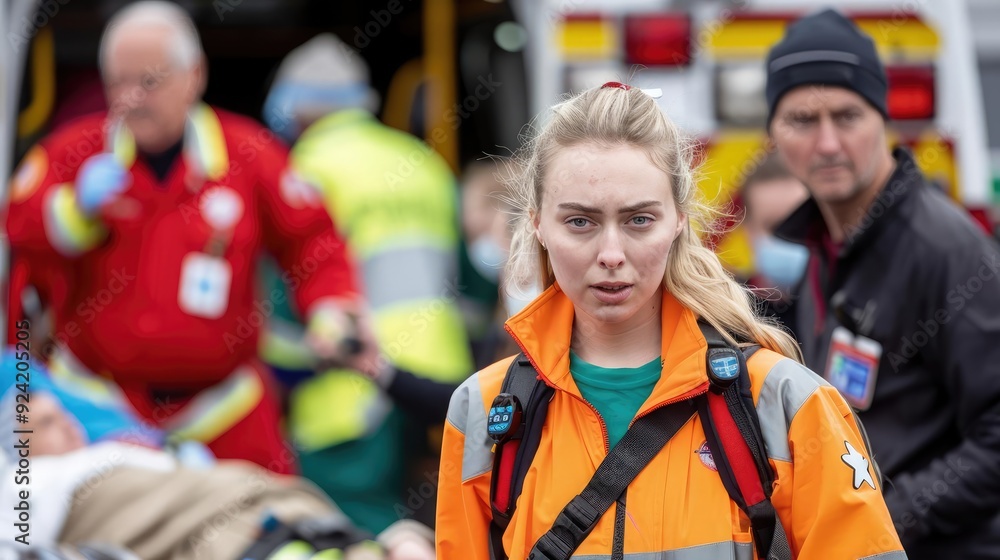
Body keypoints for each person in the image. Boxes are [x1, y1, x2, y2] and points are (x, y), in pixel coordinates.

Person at [435, 81, 906, 558]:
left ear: (679, 219)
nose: (611, 254)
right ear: (537, 223)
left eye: (639, 220)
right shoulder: (483, 411)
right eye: (580, 222)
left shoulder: (785, 403)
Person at [3, 1, 373, 474]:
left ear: (194, 75)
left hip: (225, 411)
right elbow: (18, 231)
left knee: (275, 514)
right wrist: (73, 212)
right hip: (99, 410)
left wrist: (332, 308)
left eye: (149, 81)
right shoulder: (72, 153)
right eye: (117, 82)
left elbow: (312, 242)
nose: (131, 98)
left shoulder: (248, 153)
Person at [765, 9, 1000, 558]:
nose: (827, 143)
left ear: (883, 118)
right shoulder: (824, 245)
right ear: (773, 134)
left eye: (847, 116)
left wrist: (884, 517)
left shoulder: (944, 248)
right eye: (802, 120)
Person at [259, 33, 474, 531]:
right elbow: (472, 291)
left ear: (294, 108)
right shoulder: (423, 162)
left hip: (349, 390)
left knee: (352, 531)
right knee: (433, 524)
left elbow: (286, 308)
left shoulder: (303, 171)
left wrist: (282, 374)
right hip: (439, 387)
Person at [0, 359, 435, 560]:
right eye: (46, 423)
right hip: (211, 533)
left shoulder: (123, 450)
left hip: (252, 504)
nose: (69, 425)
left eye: (63, 414)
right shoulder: (27, 485)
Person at [738, 156, 810, 330]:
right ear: (749, 231)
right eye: (775, 226)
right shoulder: (730, 310)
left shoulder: (843, 300)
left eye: (799, 222)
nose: (789, 235)